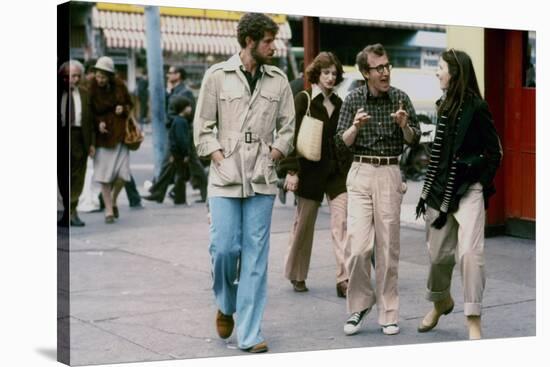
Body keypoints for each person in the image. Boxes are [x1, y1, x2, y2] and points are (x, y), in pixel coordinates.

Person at [194, 12, 295, 353]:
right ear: (249, 41)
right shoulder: (217, 76)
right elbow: (202, 127)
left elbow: (288, 128)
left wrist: (275, 155)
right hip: (225, 177)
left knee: (255, 258)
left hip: (263, 179)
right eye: (268, 41)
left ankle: (249, 333)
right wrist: (218, 157)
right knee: (224, 249)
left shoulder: (278, 79)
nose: (273, 46)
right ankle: (225, 304)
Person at [415, 49, 502, 340]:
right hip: (440, 191)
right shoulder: (442, 105)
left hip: (469, 189)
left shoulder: (477, 107)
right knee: (438, 255)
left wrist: (479, 180)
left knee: (469, 253)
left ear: (455, 73)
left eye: (440, 68)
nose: (437, 72)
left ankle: (473, 319)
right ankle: (441, 302)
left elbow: (495, 152)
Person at [335, 43, 420, 336]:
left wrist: (404, 125)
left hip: (389, 171)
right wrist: (355, 128)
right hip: (360, 171)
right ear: (365, 72)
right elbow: (340, 142)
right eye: (378, 68)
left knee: (388, 248)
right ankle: (359, 306)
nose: (385, 73)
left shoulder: (400, 99)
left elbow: (414, 139)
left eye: (387, 66)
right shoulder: (353, 100)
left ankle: (389, 312)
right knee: (358, 248)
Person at [277, 52, 350, 297]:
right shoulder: (304, 99)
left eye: (333, 73)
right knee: (303, 225)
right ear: (316, 74)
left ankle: (345, 278)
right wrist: (291, 170)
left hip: (336, 172)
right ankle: (297, 275)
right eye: (325, 73)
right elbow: (290, 135)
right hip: (309, 171)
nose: (330, 78)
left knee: (342, 223)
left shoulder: (340, 104)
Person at [89, 56, 134, 224]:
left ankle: (114, 199)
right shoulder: (91, 87)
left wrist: (123, 108)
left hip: (120, 135)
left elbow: (130, 105)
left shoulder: (120, 86)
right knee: (104, 176)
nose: (99, 79)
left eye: (103, 76)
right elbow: (89, 112)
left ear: (109, 75)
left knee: (123, 175)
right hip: (102, 138)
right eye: (97, 75)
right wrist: (97, 123)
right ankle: (108, 209)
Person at [58, 60, 96, 227]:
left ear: (80, 77)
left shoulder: (85, 94)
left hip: (80, 138)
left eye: (75, 76)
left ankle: (72, 211)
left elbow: (91, 121)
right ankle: (68, 210)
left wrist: (92, 144)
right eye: (66, 77)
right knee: (63, 176)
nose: (71, 80)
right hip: (61, 139)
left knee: (78, 176)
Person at [165, 65, 207, 203]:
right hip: (178, 131)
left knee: (192, 164)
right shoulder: (174, 91)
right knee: (182, 165)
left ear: (178, 75)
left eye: (171, 72)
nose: (168, 75)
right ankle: (176, 193)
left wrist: (175, 119)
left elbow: (189, 112)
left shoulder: (185, 92)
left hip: (184, 132)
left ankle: (204, 194)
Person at [142, 96, 192, 204]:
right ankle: (178, 198)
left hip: (175, 153)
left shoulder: (177, 121)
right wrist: (186, 153)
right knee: (180, 176)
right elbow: (181, 140)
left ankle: (160, 194)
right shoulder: (181, 122)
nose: (190, 108)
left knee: (176, 175)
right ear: (183, 108)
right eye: (188, 106)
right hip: (179, 154)